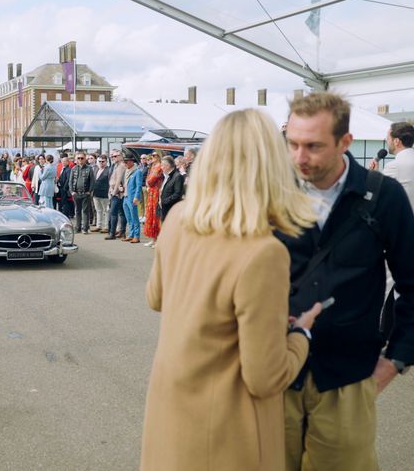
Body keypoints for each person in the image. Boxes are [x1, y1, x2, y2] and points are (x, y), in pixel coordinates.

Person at [142, 109, 322, 471]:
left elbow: (156, 297)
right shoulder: (263, 251)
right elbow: (265, 376)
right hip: (227, 432)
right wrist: (301, 332)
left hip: (171, 411)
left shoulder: (178, 218)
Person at [280, 92, 414, 471]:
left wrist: (396, 359)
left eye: (313, 146)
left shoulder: (382, 195)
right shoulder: (273, 193)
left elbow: (412, 281)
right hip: (275, 375)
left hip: (347, 378)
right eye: (293, 144)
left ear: (345, 143)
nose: (299, 157)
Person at [370, 121, 414, 208]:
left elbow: (378, 194)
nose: (387, 142)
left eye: (388, 139)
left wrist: (374, 175)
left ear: (396, 141)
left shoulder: (394, 166)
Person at [70, 152, 94, 234]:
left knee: (85, 211)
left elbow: (92, 181)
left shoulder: (89, 168)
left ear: (85, 159)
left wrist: (89, 192)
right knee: (77, 211)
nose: (80, 160)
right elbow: (71, 181)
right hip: (76, 193)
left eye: (82, 158)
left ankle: (85, 228)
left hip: (85, 193)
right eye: (78, 158)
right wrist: (72, 191)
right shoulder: (73, 169)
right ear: (76, 159)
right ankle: (78, 227)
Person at [143, 152, 164, 247]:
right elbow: (148, 179)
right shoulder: (153, 166)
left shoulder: (159, 166)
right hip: (151, 193)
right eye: (152, 155)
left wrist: (148, 182)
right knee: (150, 215)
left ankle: (158, 239)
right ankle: (153, 238)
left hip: (156, 192)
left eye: (155, 155)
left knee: (155, 216)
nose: (152, 157)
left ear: (159, 156)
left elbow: (150, 180)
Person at [106, 150, 126, 239]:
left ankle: (112, 233)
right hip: (114, 190)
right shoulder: (115, 165)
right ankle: (121, 231)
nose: (114, 158)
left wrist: (114, 191)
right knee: (121, 212)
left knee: (113, 213)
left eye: (116, 156)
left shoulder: (121, 166)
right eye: (113, 156)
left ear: (121, 156)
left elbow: (118, 180)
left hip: (117, 192)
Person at [122, 153, 142, 243]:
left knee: (134, 218)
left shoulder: (137, 171)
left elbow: (139, 186)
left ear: (131, 161)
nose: (125, 163)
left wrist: (136, 197)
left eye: (126, 161)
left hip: (132, 197)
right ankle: (131, 234)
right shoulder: (127, 170)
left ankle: (136, 236)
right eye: (124, 161)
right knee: (128, 217)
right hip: (125, 196)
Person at [158, 155, 184, 222]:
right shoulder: (167, 176)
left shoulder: (177, 176)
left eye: (162, 165)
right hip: (165, 208)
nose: (161, 168)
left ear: (168, 166)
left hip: (171, 209)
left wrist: (165, 201)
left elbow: (177, 194)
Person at [91, 155, 110, 232]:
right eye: (100, 161)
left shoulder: (108, 170)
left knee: (106, 210)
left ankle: (106, 227)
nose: (101, 163)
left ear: (106, 162)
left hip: (105, 193)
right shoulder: (95, 169)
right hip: (96, 193)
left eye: (103, 161)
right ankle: (98, 225)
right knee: (98, 210)